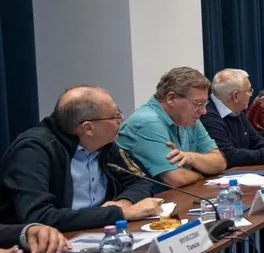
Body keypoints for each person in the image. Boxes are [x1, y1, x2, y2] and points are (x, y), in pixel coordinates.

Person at [0, 86, 162, 231]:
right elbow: (39, 217)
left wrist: (124, 203)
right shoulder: (34, 151)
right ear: (88, 128)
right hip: (50, 241)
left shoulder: (104, 144)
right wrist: (119, 213)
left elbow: (140, 182)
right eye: (115, 115)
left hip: (99, 230)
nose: (122, 119)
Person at [117, 67, 227, 187]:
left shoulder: (189, 119)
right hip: (147, 197)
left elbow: (220, 163)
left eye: (204, 104)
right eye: (198, 104)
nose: (204, 111)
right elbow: (176, 178)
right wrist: (201, 174)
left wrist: (191, 157)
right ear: (171, 99)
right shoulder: (147, 122)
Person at [201, 69, 264, 168]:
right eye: (249, 90)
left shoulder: (236, 109)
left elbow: (257, 141)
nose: (251, 94)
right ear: (235, 96)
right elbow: (230, 156)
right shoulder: (208, 117)